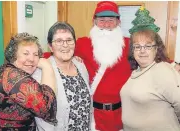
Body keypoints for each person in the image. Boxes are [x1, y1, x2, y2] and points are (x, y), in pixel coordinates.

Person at [74, 1, 131, 131]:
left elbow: (153, 56)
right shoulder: (82, 44)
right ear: (94, 21)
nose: (106, 24)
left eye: (111, 20)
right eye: (101, 20)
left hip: (121, 115)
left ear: (118, 22)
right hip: (93, 114)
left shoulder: (129, 44)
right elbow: (59, 53)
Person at [32, 22, 92, 131]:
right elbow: (42, 117)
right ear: (50, 46)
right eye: (59, 41)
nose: (65, 45)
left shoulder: (80, 65)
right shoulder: (41, 72)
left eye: (69, 40)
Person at [0, 33, 57, 131]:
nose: (31, 59)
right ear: (13, 55)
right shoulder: (14, 77)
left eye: (36, 54)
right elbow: (48, 109)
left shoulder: (5, 70)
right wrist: (47, 66)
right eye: (26, 53)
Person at [120, 29, 180, 131]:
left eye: (148, 46)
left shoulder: (162, 71)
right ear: (133, 50)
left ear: (156, 49)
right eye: (137, 47)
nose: (142, 50)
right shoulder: (137, 71)